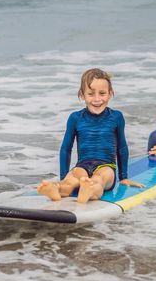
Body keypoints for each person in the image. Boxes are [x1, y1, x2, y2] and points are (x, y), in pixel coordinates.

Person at [38, 68, 144, 203]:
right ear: (82, 95)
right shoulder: (75, 118)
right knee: (71, 180)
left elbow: (122, 148)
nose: (97, 99)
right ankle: (56, 189)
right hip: (82, 166)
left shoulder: (116, 117)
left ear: (110, 93)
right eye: (91, 94)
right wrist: (64, 177)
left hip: (106, 167)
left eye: (102, 93)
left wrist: (124, 177)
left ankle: (88, 189)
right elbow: (66, 149)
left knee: (99, 179)